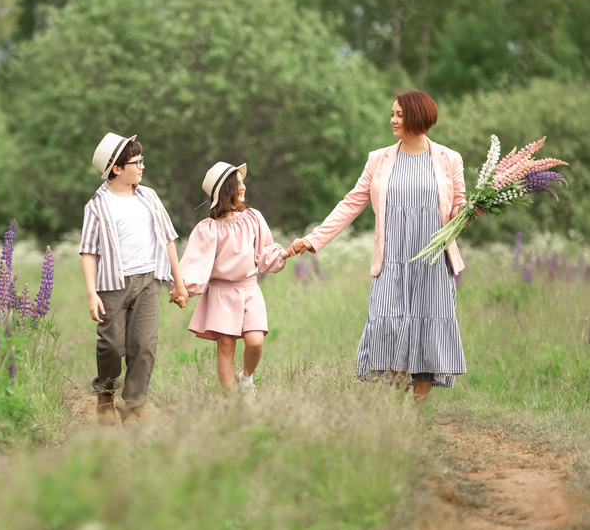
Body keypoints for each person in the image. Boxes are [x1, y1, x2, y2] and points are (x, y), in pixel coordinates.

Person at [285, 91, 467, 402]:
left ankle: (416, 414)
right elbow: (350, 204)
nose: (393, 119)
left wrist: (471, 211)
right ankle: (394, 410)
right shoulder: (378, 159)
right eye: (393, 113)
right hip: (392, 260)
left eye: (399, 114)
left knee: (426, 333)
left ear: (418, 117)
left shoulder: (449, 159)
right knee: (389, 328)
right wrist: (314, 239)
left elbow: (458, 208)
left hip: (434, 262)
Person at [80, 132, 189, 426]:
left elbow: (168, 240)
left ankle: (134, 408)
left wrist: (178, 283)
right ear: (116, 168)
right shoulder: (97, 206)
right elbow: (88, 252)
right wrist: (92, 293)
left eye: (142, 161)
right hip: (112, 285)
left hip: (149, 280)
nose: (142, 167)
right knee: (111, 346)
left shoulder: (149, 197)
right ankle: (105, 394)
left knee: (143, 345)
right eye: (136, 162)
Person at [177, 162, 286, 393]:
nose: (243, 187)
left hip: (248, 290)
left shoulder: (253, 218)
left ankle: (246, 378)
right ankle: (231, 403)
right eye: (238, 184)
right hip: (220, 293)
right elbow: (196, 262)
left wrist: (283, 253)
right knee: (225, 346)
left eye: (242, 182)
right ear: (225, 191)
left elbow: (264, 254)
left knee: (255, 342)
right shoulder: (208, 228)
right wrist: (183, 288)